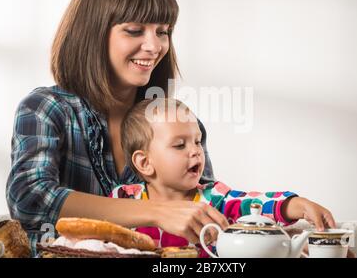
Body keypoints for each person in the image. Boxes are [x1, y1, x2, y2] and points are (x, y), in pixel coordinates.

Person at [6, 0, 228, 254]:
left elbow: (208, 207)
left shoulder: (178, 123)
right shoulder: (46, 110)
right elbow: (31, 198)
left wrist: (283, 210)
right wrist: (156, 211)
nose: (154, 46)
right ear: (94, 33)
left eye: (163, 31)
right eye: (135, 30)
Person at [110, 98, 337, 257]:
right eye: (180, 145)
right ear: (145, 163)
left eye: (198, 141)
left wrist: (295, 205)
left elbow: (254, 203)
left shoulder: (215, 197)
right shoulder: (124, 201)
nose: (196, 151)